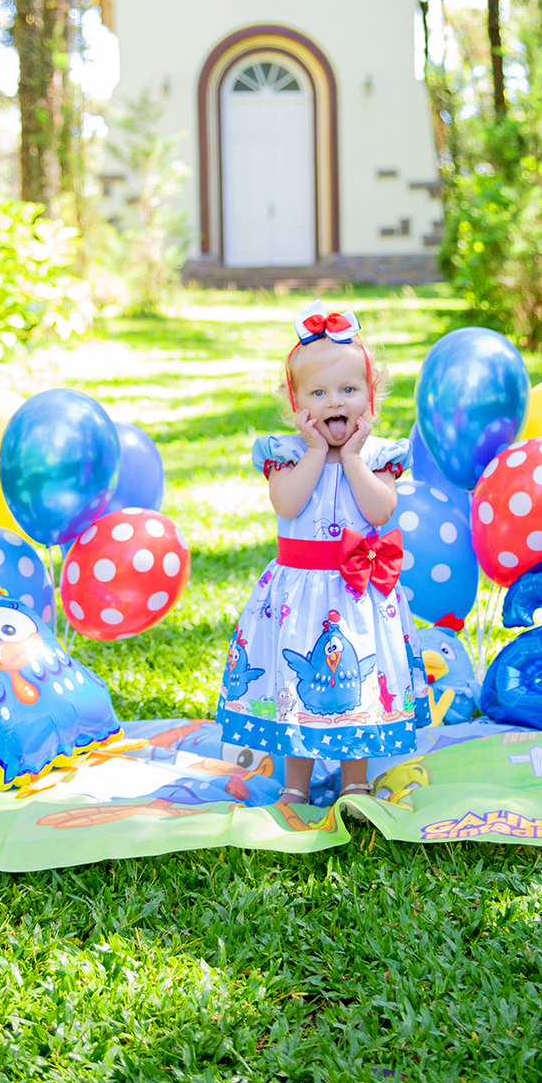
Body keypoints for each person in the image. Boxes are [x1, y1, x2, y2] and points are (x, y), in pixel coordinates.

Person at [215, 303, 426, 809]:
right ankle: (296, 783)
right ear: (296, 405)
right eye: (319, 392)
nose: (336, 401)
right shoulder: (286, 454)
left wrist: (351, 457)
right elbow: (287, 503)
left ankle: (354, 780)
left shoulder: (377, 457)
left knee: (356, 685)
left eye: (349, 390)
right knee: (298, 683)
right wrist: (315, 452)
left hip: (357, 593)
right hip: (297, 594)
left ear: (370, 400)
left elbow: (379, 512)